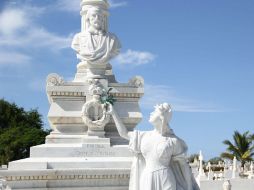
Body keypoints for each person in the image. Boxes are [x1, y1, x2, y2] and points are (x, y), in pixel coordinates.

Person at [108, 103, 200, 190]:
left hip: (166, 178)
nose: (151, 113)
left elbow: (184, 166)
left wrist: (189, 187)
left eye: (155, 111)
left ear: (162, 117)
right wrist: (113, 113)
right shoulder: (143, 136)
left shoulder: (172, 141)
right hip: (147, 178)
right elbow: (124, 133)